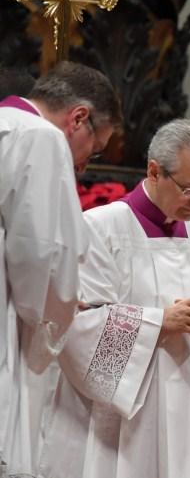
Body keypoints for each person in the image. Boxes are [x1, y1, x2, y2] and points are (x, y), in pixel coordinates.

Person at [38, 119, 190, 478]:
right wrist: (159, 322)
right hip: (108, 421)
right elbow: (73, 326)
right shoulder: (100, 228)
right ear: (155, 172)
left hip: (181, 405)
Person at [0, 61, 121, 477]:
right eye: (97, 148)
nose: (86, 164)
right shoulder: (41, 138)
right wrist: (61, 312)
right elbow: (43, 255)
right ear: (79, 118)